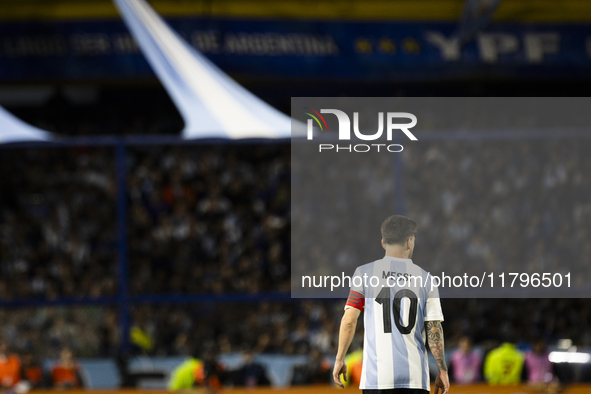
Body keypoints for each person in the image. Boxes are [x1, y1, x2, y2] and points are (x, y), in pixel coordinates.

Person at [333, 215, 449, 394]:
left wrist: (340, 358)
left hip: (377, 379)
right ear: (409, 242)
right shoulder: (426, 279)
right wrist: (442, 370)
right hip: (415, 379)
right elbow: (434, 327)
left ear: (383, 242)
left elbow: (349, 320)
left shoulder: (364, 273)